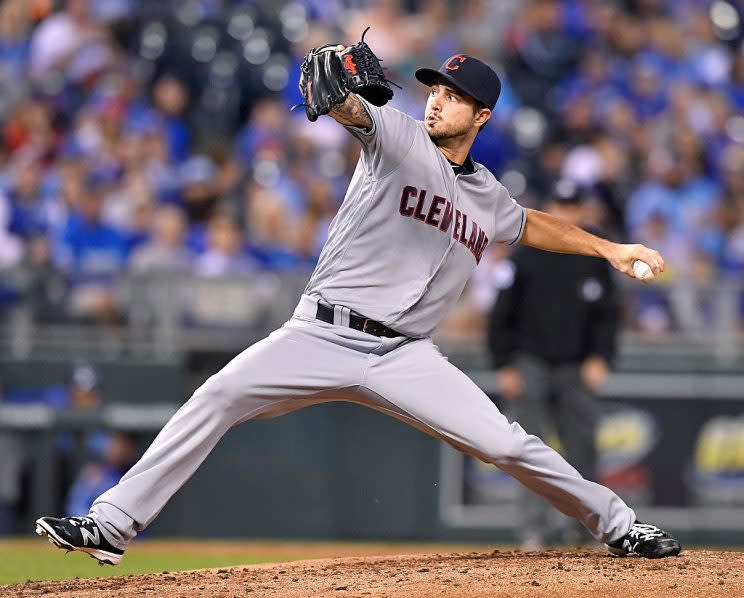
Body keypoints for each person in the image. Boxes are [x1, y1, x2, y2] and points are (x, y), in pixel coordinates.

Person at [35, 50, 680, 566]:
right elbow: (353, 110)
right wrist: (334, 83)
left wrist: (609, 248)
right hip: (319, 332)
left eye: (454, 96)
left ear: (481, 115)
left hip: (406, 356)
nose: (437, 100)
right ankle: (113, 523)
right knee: (217, 395)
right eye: (434, 89)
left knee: (508, 445)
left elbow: (532, 224)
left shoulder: (487, 194)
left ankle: (620, 527)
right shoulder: (398, 136)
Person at [488, 179, 618, 549]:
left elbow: (609, 316)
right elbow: (501, 314)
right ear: (551, 208)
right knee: (529, 451)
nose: (566, 213)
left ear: (581, 210)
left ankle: (589, 528)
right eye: (560, 207)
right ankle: (533, 530)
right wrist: (504, 362)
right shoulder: (526, 254)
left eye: (572, 207)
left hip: (576, 365)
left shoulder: (593, 256)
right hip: (530, 362)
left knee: (583, 448)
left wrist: (601, 357)